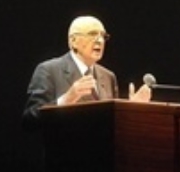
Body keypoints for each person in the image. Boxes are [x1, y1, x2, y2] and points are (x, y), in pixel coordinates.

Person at [22, 15, 151, 131]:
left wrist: (131, 111)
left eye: (103, 36)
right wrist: (65, 100)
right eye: (92, 34)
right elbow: (29, 120)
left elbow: (113, 125)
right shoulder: (49, 70)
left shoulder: (108, 76)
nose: (100, 40)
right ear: (73, 41)